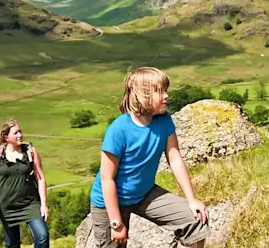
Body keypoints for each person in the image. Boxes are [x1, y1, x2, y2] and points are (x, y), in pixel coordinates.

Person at [89, 67, 209, 248]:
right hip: (110, 203)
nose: (166, 96)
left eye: (165, 90)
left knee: (195, 220)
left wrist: (191, 199)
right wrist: (116, 222)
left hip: (144, 193)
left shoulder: (164, 120)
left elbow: (174, 157)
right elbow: (107, 179)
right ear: (142, 95)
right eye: (160, 91)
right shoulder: (119, 129)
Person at [0, 119, 49, 248]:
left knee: (42, 236)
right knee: (12, 244)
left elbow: (40, 178)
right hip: (7, 206)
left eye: (20, 132)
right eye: (16, 133)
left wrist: (44, 204)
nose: (20, 135)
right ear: (6, 137)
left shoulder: (29, 151)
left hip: (30, 203)